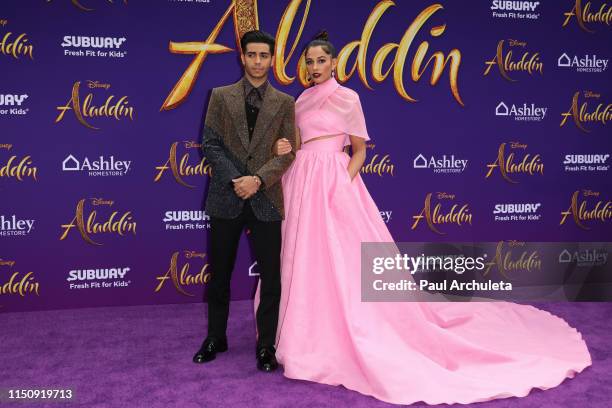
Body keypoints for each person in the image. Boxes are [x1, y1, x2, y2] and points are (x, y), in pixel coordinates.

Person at [270, 31, 592, 405]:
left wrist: (343, 180)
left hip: (336, 182)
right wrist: (285, 150)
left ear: (335, 63)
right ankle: (304, 333)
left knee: (344, 260)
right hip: (302, 182)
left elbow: (359, 150)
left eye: (321, 61)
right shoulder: (300, 100)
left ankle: (347, 332)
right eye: (309, 62)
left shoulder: (348, 98)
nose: (314, 68)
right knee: (301, 258)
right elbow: (296, 144)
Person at [193, 30, 296, 372]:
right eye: (251, 55)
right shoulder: (220, 96)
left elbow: (288, 151)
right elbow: (210, 144)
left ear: (271, 59)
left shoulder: (285, 102)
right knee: (220, 273)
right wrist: (237, 180)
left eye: (263, 56)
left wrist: (258, 180)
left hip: (265, 198)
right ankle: (215, 337)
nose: (257, 61)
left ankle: (266, 346)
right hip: (227, 195)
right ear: (242, 57)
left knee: (272, 276)